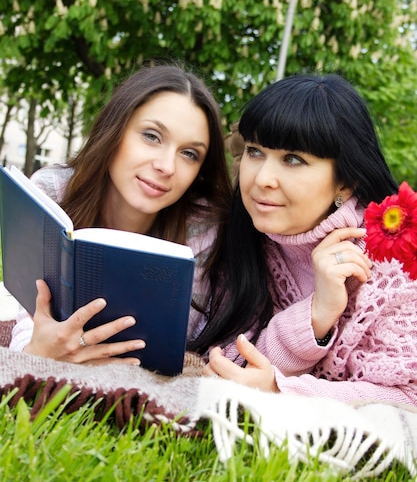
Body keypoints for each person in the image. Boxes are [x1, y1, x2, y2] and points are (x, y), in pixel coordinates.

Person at [193, 73, 417, 405]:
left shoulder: (392, 267)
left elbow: (406, 398)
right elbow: (224, 360)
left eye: (293, 159)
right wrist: (315, 315)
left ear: (345, 183)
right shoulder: (245, 240)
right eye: (255, 152)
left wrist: (281, 392)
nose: (262, 178)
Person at [10, 62, 232, 364]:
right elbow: (30, 315)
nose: (166, 166)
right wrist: (36, 352)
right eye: (152, 136)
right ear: (115, 128)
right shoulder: (53, 191)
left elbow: (186, 338)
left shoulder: (203, 224)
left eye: (189, 154)